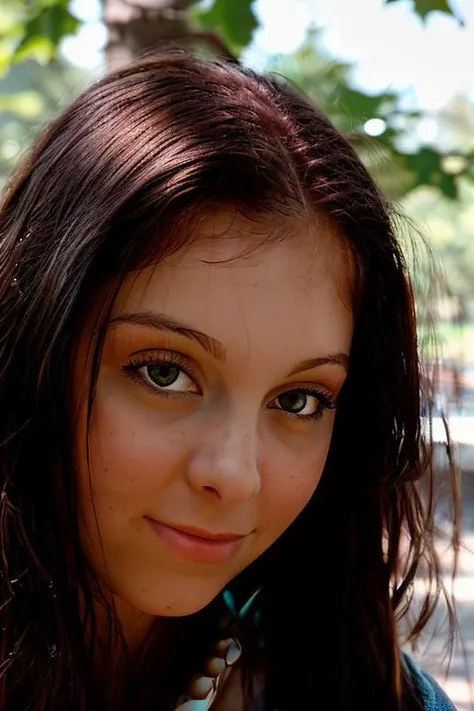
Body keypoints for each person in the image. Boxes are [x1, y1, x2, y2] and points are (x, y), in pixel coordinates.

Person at [0, 52, 458, 711]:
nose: (237, 474)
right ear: (33, 344)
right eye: (165, 372)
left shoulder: (380, 694)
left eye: (299, 400)